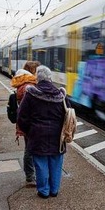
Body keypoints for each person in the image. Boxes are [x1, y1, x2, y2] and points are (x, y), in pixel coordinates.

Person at [17, 65, 69, 198]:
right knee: (56, 163)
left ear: (37, 79)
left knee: (40, 164)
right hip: (58, 136)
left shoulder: (30, 94)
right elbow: (68, 114)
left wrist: (29, 131)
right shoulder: (61, 95)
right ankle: (54, 190)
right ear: (50, 78)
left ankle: (44, 191)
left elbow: (21, 117)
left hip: (37, 135)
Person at [10, 60, 40, 186]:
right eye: (37, 71)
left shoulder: (23, 83)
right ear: (32, 70)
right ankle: (30, 176)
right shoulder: (29, 86)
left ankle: (31, 175)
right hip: (30, 122)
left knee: (29, 148)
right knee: (30, 149)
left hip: (25, 121)